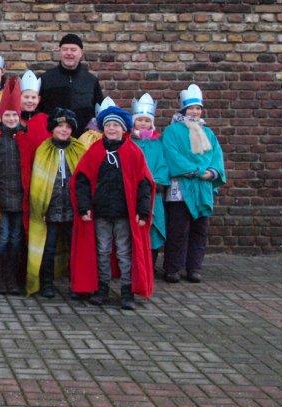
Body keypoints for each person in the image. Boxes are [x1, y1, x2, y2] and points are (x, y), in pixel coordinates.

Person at [71, 105, 155, 310]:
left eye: (116, 125)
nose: (111, 128)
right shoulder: (95, 151)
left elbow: (144, 183)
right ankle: (102, 288)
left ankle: (127, 291)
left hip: (124, 214)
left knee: (125, 252)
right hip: (100, 213)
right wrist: (84, 207)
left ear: (124, 128)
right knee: (102, 251)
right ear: (102, 128)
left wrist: (142, 211)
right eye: (108, 125)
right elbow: (82, 180)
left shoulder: (133, 152)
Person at [162, 84, 226, 284]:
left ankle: (194, 268)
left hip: (203, 187)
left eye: (198, 108)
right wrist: (197, 171)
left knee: (200, 230)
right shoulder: (172, 131)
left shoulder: (209, 133)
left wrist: (212, 172)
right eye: (191, 108)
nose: (195, 111)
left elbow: (217, 155)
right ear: (183, 109)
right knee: (178, 229)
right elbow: (172, 155)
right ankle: (172, 268)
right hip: (181, 187)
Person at [26, 108, 86, 297]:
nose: (64, 130)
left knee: (74, 248)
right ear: (52, 128)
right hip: (50, 209)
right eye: (60, 126)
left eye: (68, 127)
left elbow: (85, 179)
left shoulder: (79, 149)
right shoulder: (43, 150)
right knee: (48, 248)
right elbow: (38, 180)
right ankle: (47, 284)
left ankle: (77, 284)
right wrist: (40, 206)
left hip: (72, 209)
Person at [0, 80, 27, 295]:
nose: (11, 119)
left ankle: (13, 278)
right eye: (7, 115)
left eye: (14, 116)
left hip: (19, 198)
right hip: (0, 197)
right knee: (2, 238)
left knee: (16, 239)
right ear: (1, 117)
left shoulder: (25, 138)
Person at [131, 93, 170, 269]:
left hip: (154, 193)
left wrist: (156, 182)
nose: (143, 124)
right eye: (140, 120)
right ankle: (134, 265)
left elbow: (163, 165)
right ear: (134, 122)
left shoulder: (158, 143)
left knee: (153, 229)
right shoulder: (129, 142)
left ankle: (150, 264)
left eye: (147, 121)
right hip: (133, 193)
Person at [37, 34, 105, 136]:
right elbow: (38, 112)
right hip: (52, 139)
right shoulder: (46, 79)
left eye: (73, 50)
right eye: (65, 49)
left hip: (83, 140)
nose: (69, 53)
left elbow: (99, 112)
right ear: (60, 52)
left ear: (81, 53)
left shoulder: (91, 81)